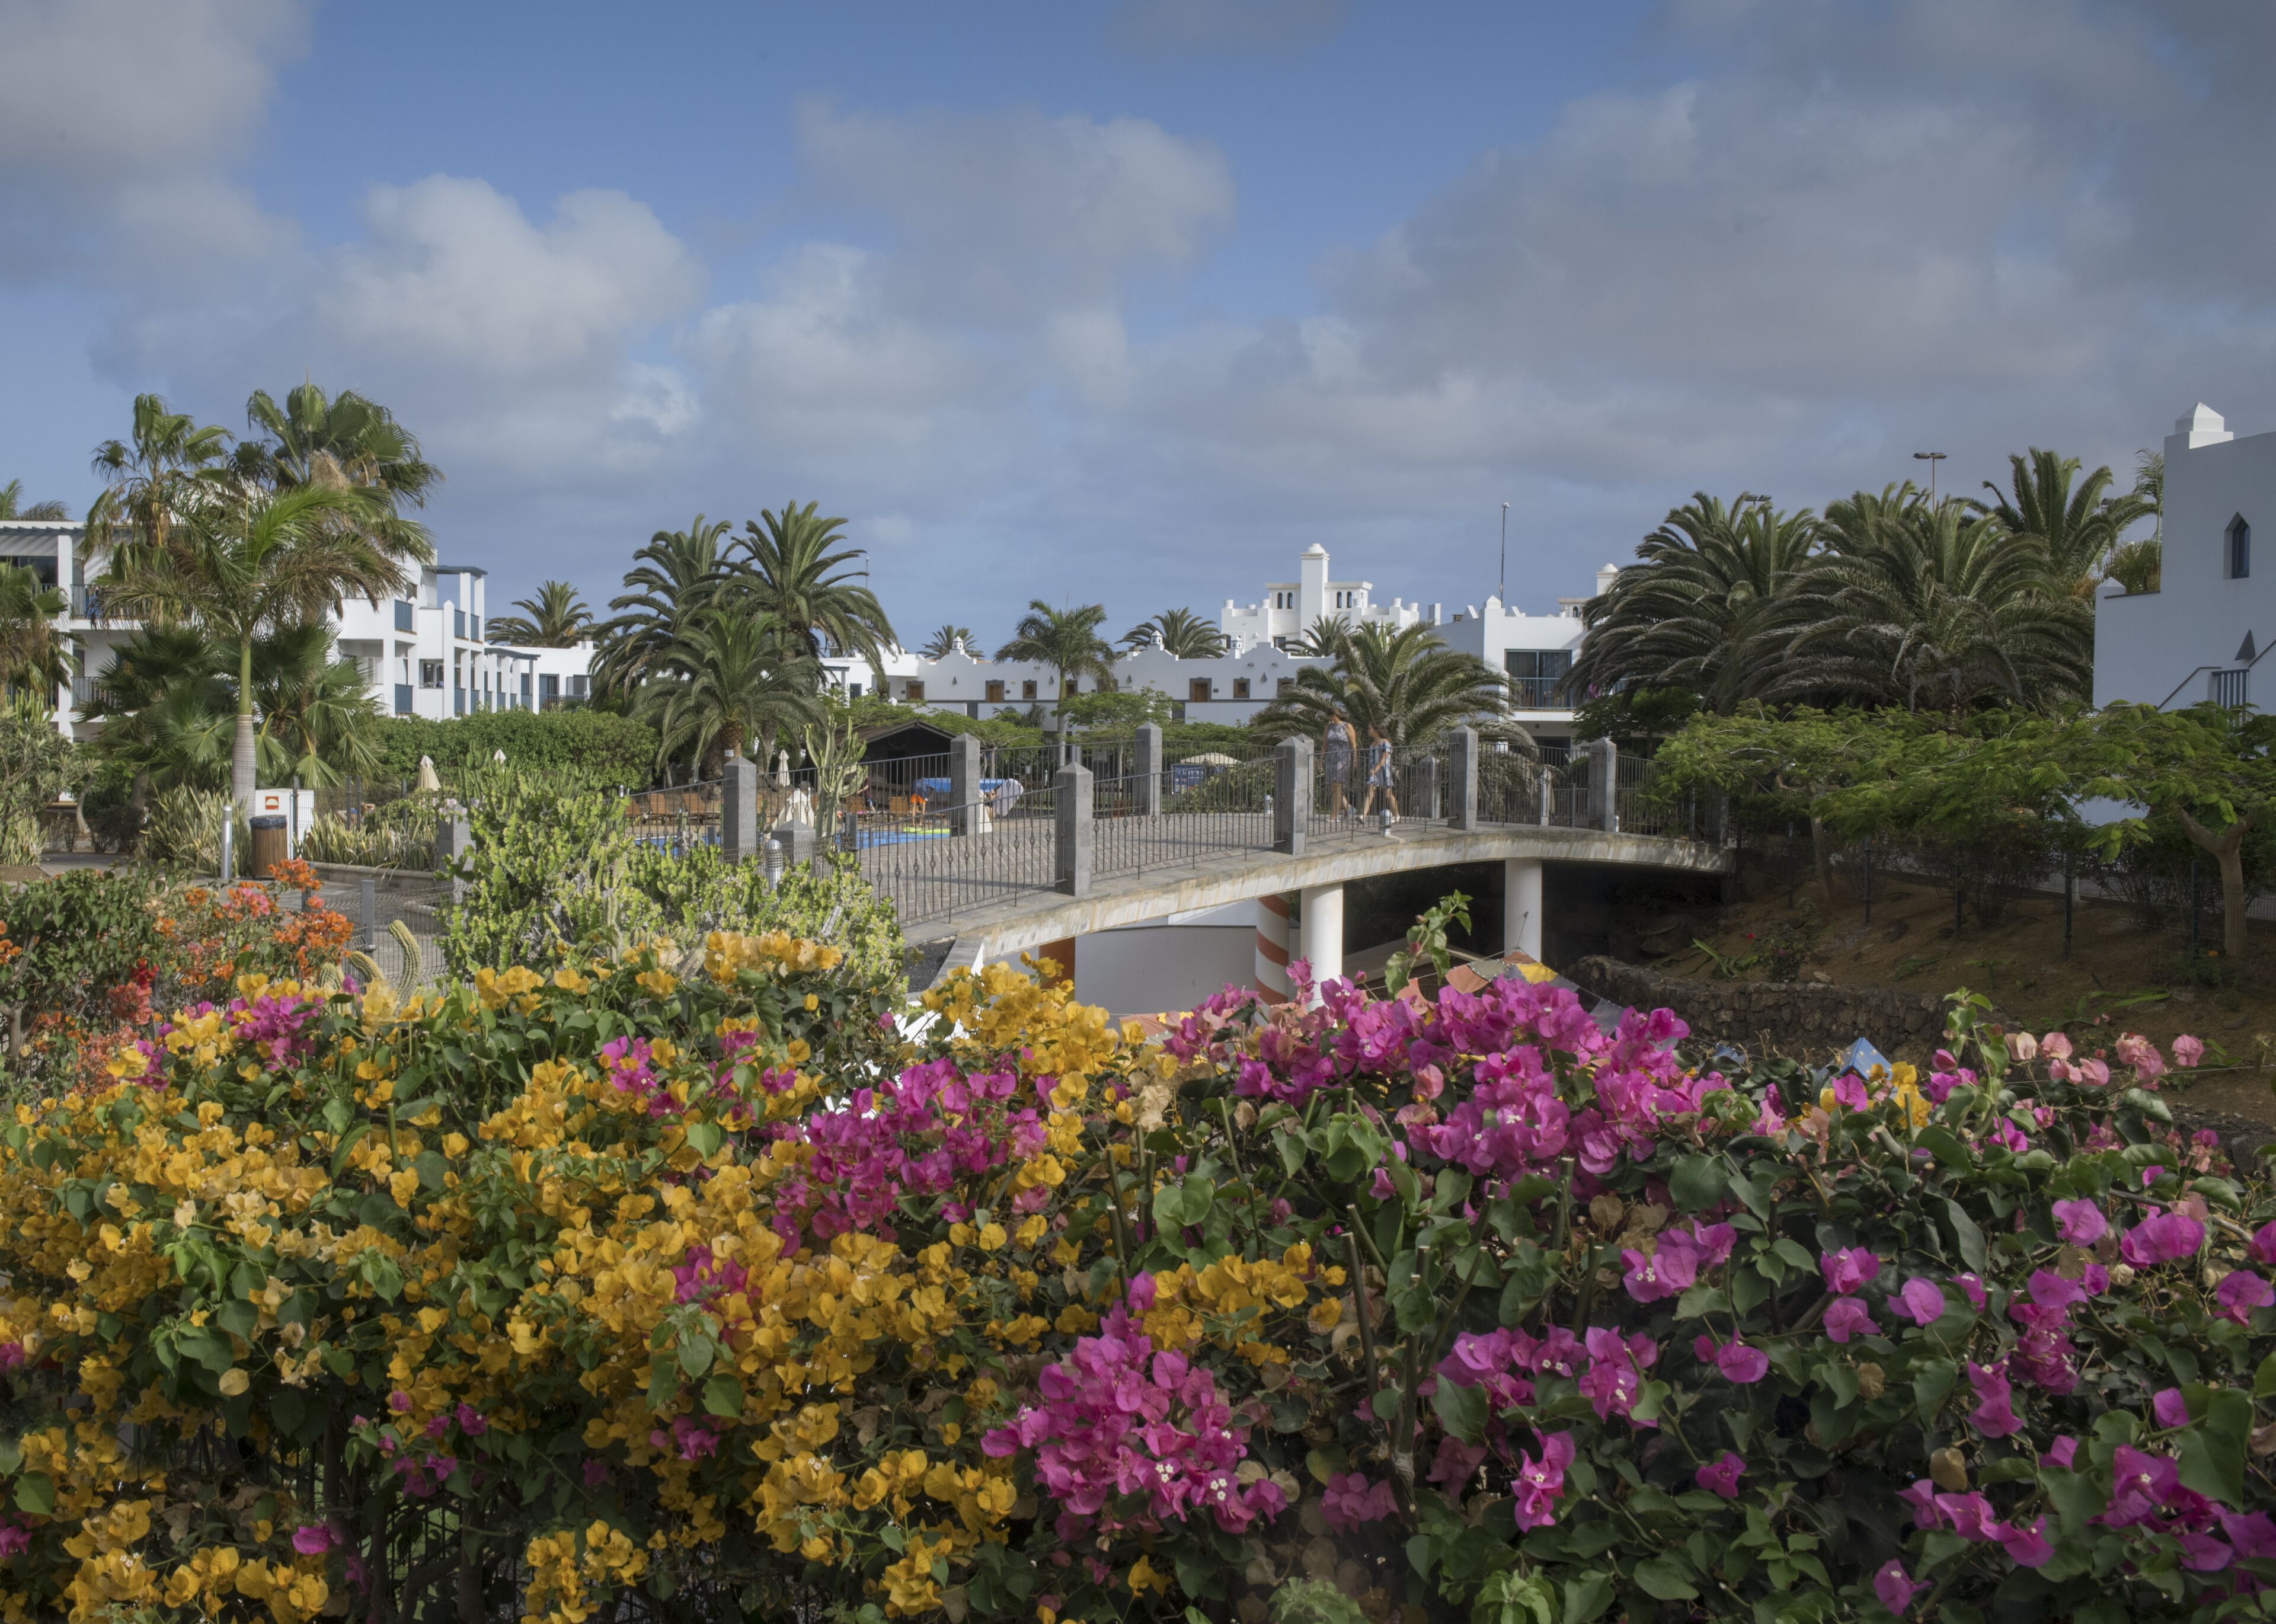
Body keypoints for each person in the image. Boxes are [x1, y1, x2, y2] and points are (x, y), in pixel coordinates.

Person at [1358, 724, 1399, 824]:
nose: (1368, 730)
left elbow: (1384, 760)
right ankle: (1363, 816)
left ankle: (1397, 815)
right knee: (1370, 792)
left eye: (1370, 729)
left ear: (1376, 730)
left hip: (1384, 771)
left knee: (1388, 794)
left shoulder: (1385, 743)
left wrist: (1375, 770)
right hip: (1374, 772)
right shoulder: (1372, 745)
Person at [1323, 713, 1356, 818]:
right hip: (1330, 759)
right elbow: (1324, 744)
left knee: (1337, 785)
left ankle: (1334, 816)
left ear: (1336, 716)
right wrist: (1321, 759)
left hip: (1343, 759)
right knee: (1331, 787)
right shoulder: (1328, 727)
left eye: (1332, 718)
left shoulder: (1347, 726)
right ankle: (1348, 808)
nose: (1331, 721)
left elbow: (1353, 745)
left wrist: (1355, 760)